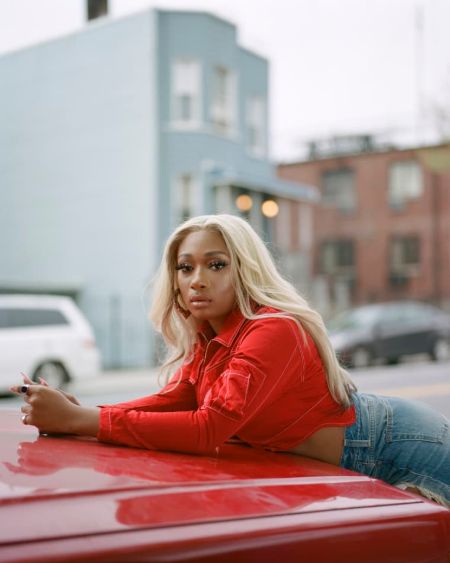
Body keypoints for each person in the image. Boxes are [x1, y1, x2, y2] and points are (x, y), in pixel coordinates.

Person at [11, 214, 450, 508]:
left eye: (215, 265)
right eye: (185, 268)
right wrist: (83, 415)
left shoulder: (273, 328)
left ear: (244, 269)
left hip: (395, 443)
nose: (197, 280)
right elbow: (177, 400)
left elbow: (209, 428)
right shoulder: (214, 336)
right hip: (352, 455)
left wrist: (81, 420)